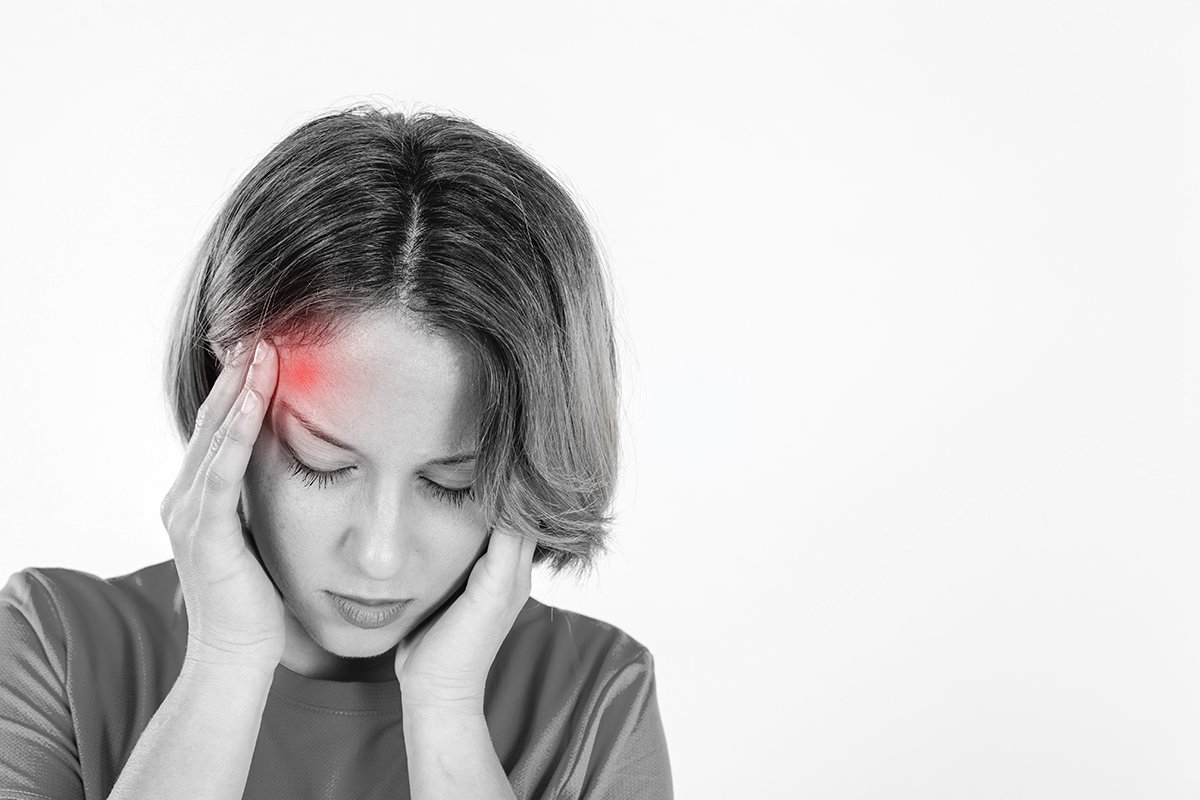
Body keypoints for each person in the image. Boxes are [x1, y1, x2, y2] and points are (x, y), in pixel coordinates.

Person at [0, 106, 672, 799]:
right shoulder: (56, 645)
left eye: (455, 483)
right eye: (320, 463)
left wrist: (446, 709)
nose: (379, 556)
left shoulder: (596, 699)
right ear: (224, 407)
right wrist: (225, 663)